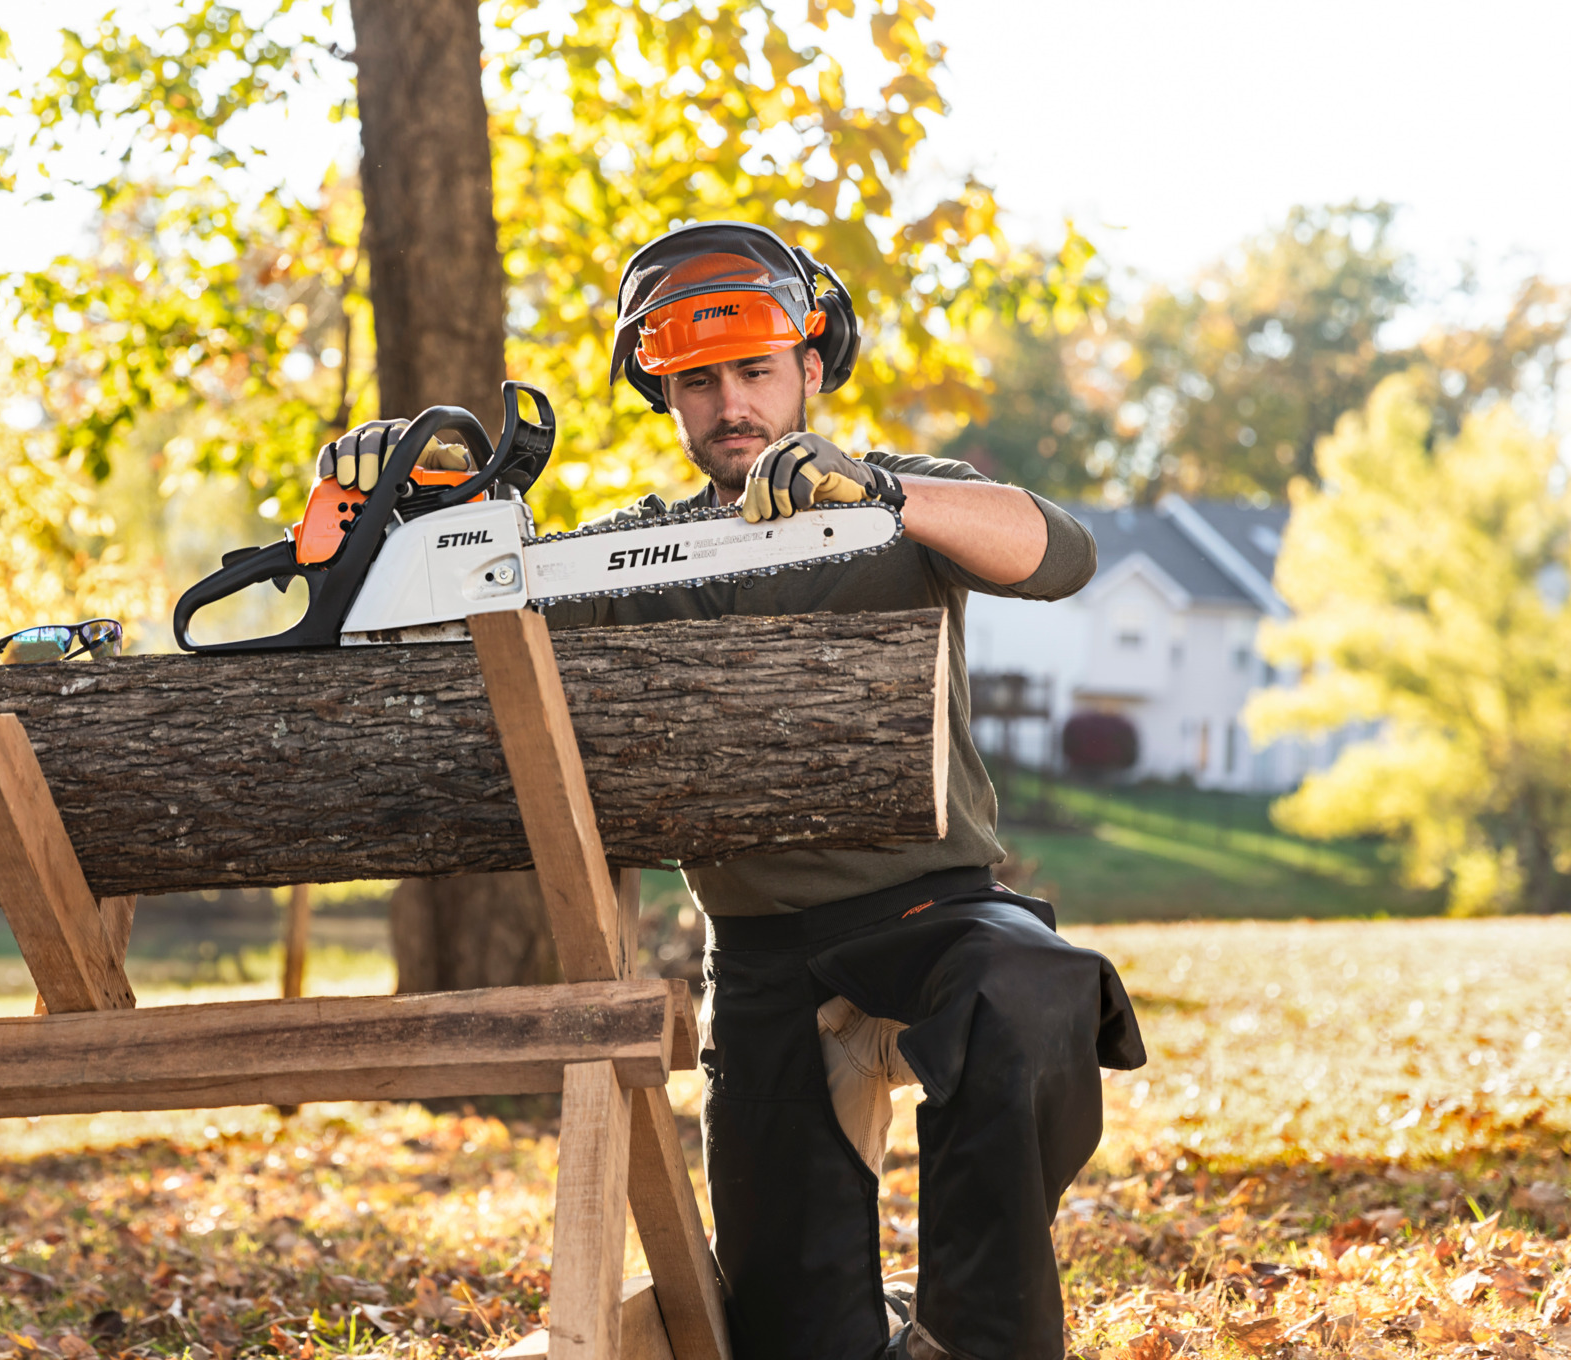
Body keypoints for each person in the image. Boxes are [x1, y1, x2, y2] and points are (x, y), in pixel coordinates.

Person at [318, 220, 1147, 1360]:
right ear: (666, 394)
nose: (729, 405)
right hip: (761, 958)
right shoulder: (626, 556)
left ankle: (977, 1340)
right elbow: (422, 644)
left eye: (754, 371)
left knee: (1033, 991)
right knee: (798, 1341)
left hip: (936, 917)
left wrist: (881, 495)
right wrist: (389, 512)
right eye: (697, 382)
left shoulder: (898, 503)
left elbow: (1058, 552)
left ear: (813, 366)